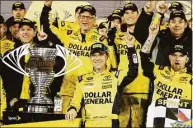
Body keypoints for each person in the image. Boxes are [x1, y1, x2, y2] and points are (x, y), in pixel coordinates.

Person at [41, 1, 117, 114]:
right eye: (82, 17)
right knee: (65, 124)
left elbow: (112, 65)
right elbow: (46, 28)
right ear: (78, 18)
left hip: (91, 92)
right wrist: (46, 7)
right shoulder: (67, 35)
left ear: (94, 20)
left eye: (88, 17)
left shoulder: (102, 40)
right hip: (67, 91)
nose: (85, 20)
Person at [65, 40, 138, 127]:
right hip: (89, 124)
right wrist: (72, 109)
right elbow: (75, 103)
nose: (97, 58)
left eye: (100, 55)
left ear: (106, 56)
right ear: (90, 58)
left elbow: (133, 71)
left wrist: (131, 48)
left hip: (110, 123)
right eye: (94, 55)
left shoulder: (116, 76)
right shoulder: (82, 80)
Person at [140, 22, 192, 128]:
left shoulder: (191, 78)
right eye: (174, 55)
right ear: (169, 57)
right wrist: (151, 36)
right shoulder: (159, 71)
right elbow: (144, 58)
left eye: (181, 56)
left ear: (186, 59)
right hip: (156, 122)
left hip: (180, 123)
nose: (177, 58)